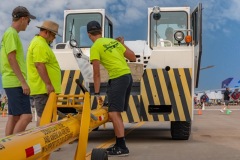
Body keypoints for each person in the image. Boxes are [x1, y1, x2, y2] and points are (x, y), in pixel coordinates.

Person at [87, 20, 136, 156]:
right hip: (127, 76)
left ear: (88, 34)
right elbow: (132, 57)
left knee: (114, 113)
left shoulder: (95, 47)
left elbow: (96, 74)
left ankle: (122, 147)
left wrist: (96, 94)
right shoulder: (113, 42)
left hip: (118, 78)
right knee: (114, 112)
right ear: (101, 31)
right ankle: (119, 144)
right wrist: (121, 44)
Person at [0, 6, 36, 136]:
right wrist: (23, 82)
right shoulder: (11, 34)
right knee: (26, 116)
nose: (28, 24)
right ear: (23, 19)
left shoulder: (10, 33)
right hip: (15, 81)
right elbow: (11, 57)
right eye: (28, 21)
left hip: (11, 81)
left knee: (14, 117)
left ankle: (5, 150)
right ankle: (13, 149)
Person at [26, 20, 61, 126]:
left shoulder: (41, 43)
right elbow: (39, 65)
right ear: (46, 32)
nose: (54, 38)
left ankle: (43, 141)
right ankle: (41, 141)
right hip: (43, 89)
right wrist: (49, 84)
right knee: (44, 118)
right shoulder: (40, 44)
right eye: (53, 35)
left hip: (44, 89)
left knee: (46, 117)